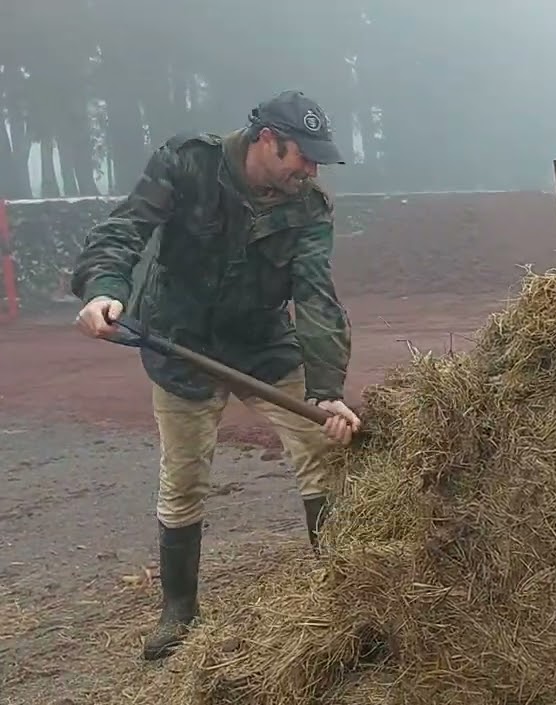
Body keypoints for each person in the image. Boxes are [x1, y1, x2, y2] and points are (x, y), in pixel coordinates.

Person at [70, 90, 363, 661]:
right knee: (183, 480)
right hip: (180, 339)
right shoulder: (188, 162)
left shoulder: (309, 207)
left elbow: (317, 298)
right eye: (302, 155)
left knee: (322, 453)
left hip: (261, 343)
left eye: (317, 161)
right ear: (266, 140)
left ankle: (343, 593)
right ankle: (179, 612)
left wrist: (327, 391)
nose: (310, 169)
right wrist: (105, 288)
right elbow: (125, 229)